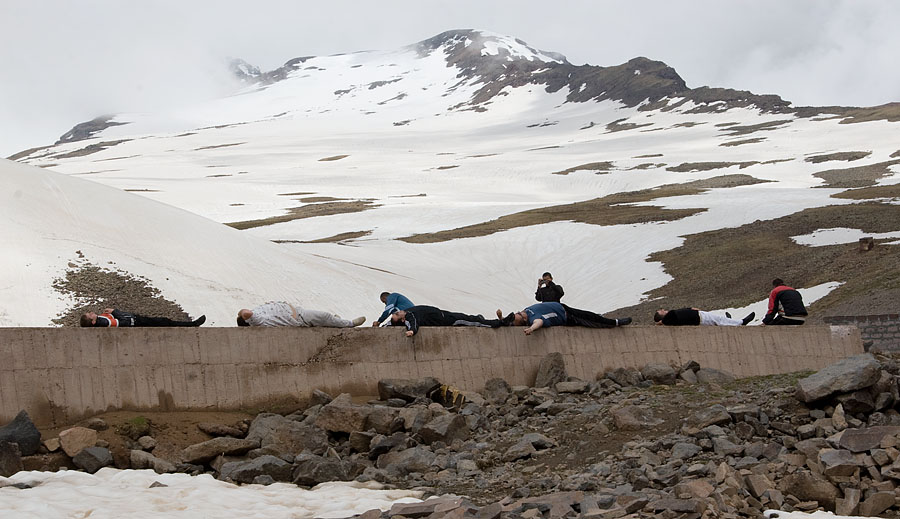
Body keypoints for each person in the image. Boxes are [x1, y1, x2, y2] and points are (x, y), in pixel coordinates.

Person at [499, 302, 631, 335]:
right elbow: (538, 322)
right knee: (591, 320)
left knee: (590, 314)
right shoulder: (534, 317)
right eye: (518, 315)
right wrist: (531, 329)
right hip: (568, 317)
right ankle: (616, 323)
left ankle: (606, 319)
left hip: (563, 307)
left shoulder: (526, 311)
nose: (519, 312)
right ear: (523, 320)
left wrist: (501, 317)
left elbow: (506, 322)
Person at [390, 305, 504, 337]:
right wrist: (412, 331)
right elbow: (413, 323)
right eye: (397, 314)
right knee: (471, 321)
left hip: (444, 314)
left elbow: (389, 323)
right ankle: (499, 322)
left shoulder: (406, 311)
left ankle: (480, 318)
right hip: (447, 320)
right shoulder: (409, 315)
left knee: (468, 318)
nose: (399, 311)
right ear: (403, 319)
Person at [237, 301, 364, 328]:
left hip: (299, 312)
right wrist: (240, 313)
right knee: (324, 316)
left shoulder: (258, 315)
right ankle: (350, 324)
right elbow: (246, 313)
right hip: (300, 318)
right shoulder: (256, 321)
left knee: (325, 318)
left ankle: (335, 322)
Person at [80, 308, 205, 327]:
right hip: (136, 322)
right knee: (164, 322)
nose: (91, 312)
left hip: (136, 319)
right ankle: (193, 324)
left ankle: (192, 324)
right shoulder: (105, 322)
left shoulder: (102, 319)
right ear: (93, 321)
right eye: (90, 315)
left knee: (164, 321)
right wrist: (115, 311)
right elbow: (123, 322)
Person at [654, 308, 754, 326]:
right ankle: (742, 322)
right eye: (661, 312)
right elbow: (662, 322)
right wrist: (660, 322)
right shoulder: (667, 319)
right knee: (718, 321)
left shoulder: (670, 316)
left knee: (718, 318)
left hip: (698, 315)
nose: (663, 310)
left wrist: (690, 308)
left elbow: (681, 311)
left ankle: (730, 320)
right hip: (699, 319)